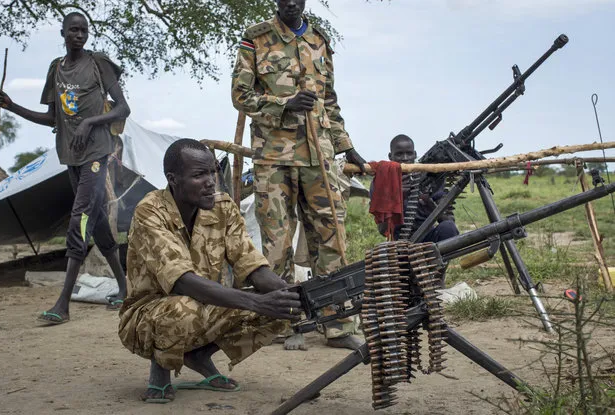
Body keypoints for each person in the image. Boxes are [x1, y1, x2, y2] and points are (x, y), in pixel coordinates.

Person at [118, 139, 301, 403]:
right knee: (181, 308)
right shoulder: (150, 211)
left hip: (205, 303)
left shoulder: (222, 208)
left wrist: (292, 295)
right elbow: (182, 282)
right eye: (198, 175)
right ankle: (160, 373)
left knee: (281, 307)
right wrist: (257, 302)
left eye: (212, 171)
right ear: (173, 179)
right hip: (146, 316)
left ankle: (199, 356)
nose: (210, 181)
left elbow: (251, 266)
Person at [231, 0, 367, 351]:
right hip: (274, 157)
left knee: (331, 237)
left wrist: (345, 145)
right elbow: (240, 95)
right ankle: (284, 324)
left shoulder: (319, 39)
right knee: (277, 242)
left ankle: (336, 323)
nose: (291, 1)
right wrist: (284, 104)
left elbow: (330, 101)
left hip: (318, 156)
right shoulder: (255, 38)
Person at [0, 12, 130, 324]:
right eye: (73, 30)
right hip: (70, 157)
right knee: (95, 224)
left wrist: (89, 122)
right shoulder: (56, 69)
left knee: (79, 219)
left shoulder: (99, 64)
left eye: (84, 30)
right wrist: (12, 106)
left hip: (97, 153)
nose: (79, 35)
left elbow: (123, 107)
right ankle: (125, 289)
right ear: (63, 33)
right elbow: (52, 118)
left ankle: (62, 304)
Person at [374, 134, 459, 243]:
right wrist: (397, 198)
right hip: (399, 242)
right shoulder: (383, 182)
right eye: (399, 154)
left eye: (409, 154)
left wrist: (430, 204)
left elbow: (449, 221)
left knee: (448, 228)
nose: (405, 159)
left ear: (415, 155)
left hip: (428, 237)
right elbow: (383, 229)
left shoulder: (429, 177)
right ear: (390, 157)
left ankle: (436, 259)